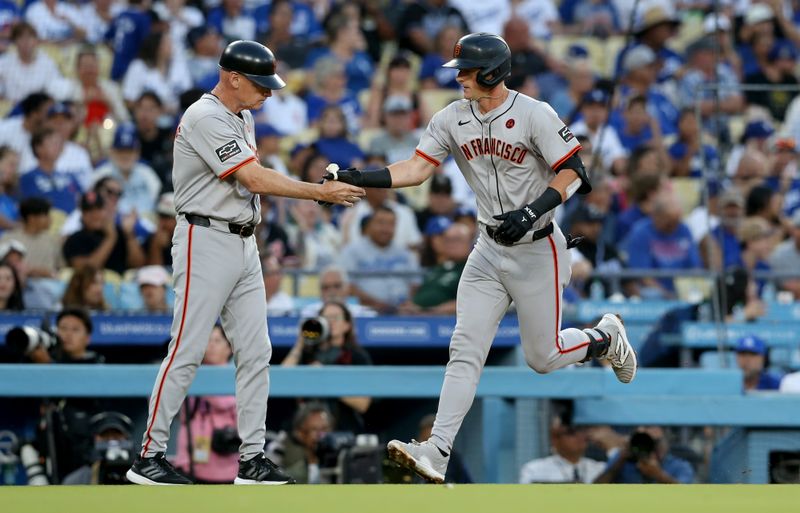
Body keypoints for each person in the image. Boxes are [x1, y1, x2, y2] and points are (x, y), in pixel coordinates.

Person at [320, 33, 637, 483]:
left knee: (542, 358)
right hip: (488, 249)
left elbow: (574, 172)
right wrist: (359, 175)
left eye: (466, 70)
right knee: (464, 349)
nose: (460, 77)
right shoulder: (452, 117)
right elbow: (416, 169)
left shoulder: (533, 113)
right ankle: (438, 451)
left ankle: (605, 338)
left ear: (491, 72)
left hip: (537, 246)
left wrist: (533, 210)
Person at [126, 40, 364, 486]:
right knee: (188, 349)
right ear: (233, 77)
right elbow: (252, 177)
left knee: (257, 351)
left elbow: (251, 181)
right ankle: (149, 454)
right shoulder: (204, 115)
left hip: (242, 240)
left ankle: (251, 458)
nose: (268, 93)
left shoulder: (243, 114)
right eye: (261, 84)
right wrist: (318, 192)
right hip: (205, 235)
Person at [282, 301, 372, 433]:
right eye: (325, 318)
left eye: (335, 318)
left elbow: (363, 404)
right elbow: (282, 379)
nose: (330, 322)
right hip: (306, 430)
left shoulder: (356, 355)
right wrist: (300, 343)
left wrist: (325, 380)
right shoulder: (308, 353)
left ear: (347, 325)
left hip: (343, 428)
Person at [172, 325, 240, 483]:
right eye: (207, 340)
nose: (211, 345)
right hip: (191, 465)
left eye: (217, 340)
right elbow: (167, 406)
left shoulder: (237, 375)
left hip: (228, 466)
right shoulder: (188, 373)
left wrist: (197, 378)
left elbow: (224, 403)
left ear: (229, 348)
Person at [593, 426, 695, 484]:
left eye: (654, 442)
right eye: (644, 441)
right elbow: (596, 489)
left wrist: (659, 475)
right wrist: (620, 461)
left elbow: (687, 495)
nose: (649, 446)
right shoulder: (624, 461)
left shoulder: (679, 466)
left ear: (665, 443)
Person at [265, 402, 333, 484]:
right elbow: (269, 477)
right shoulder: (282, 446)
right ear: (300, 432)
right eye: (314, 429)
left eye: (324, 429)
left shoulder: (336, 450)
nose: (321, 435)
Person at [519, 421, 605, 484]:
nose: (580, 436)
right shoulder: (535, 469)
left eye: (582, 431)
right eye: (571, 433)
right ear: (555, 439)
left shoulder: (600, 469)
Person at [0, 197, 62, 277]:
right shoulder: (8, 238)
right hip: (16, 285)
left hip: (47, 285)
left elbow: (59, 268)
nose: (50, 219)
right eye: (46, 215)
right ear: (32, 218)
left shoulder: (53, 240)